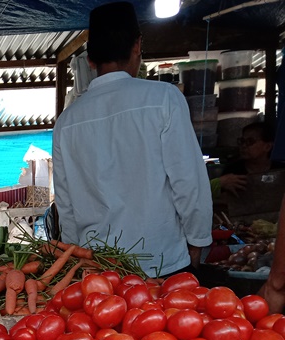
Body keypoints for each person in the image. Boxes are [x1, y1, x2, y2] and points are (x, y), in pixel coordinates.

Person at [52, 1, 213, 278]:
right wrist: (198, 242)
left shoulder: (66, 123)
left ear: (89, 59)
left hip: (100, 273)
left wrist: (77, 264)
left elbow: (66, 209)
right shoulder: (164, 98)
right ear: (137, 45)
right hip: (163, 265)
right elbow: (189, 182)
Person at [211, 121, 285, 198]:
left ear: (267, 147)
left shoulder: (280, 170)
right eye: (242, 141)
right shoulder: (233, 172)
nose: (244, 146)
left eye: (250, 141)